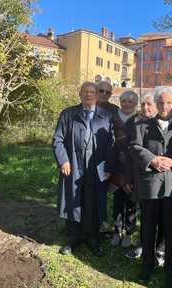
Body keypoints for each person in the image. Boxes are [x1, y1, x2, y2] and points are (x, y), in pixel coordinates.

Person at [129, 86, 172, 288]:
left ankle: (171, 272)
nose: (164, 106)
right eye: (160, 102)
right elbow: (133, 147)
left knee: (171, 230)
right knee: (148, 228)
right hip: (149, 186)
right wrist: (151, 160)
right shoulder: (142, 125)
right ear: (156, 103)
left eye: (168, 102)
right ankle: (147, 265)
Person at [53, 81, 115, 257]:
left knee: (93, 201)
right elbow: (57, 139)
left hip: (96, 168)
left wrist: (109, 167)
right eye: (85, 92)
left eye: (92, 92)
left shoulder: (107, 116)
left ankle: (92, 238)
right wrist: (63, 160)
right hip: (73, 166)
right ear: (79, 94)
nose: (89, 95)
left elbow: (112, 144)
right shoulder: (68, 114)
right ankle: (73, 238)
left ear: (97, 96)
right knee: (73, 200)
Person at [125, 91, 165, 267]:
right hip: (141, 177)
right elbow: (130, 154)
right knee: (146, 214)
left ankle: (161, 249)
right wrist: (128, 178)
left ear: (157, 105)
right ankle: (144, 245)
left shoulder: (164, 125)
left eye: (149, 104)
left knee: (163, 216)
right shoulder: (138, 124)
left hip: (162, 180)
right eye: (142, 104)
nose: (145, 107)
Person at [109, 91, 139, 248]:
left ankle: (129, 233)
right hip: (116, 165)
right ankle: (117, 231)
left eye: (130, 101)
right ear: (120, 102)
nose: (126, 104)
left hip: (133, 167)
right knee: (117, 202)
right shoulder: (112, 119)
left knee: (131, 203)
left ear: (135, 104)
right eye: (124, 101)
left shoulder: (140, 120)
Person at [96, 80, 119, 234]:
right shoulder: (87, 104)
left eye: (108, 92)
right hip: (86, 155)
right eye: (101, 90)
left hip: (106, 155)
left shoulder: (115, 110)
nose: (104, 94)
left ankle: (100, 221)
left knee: (101, 191)